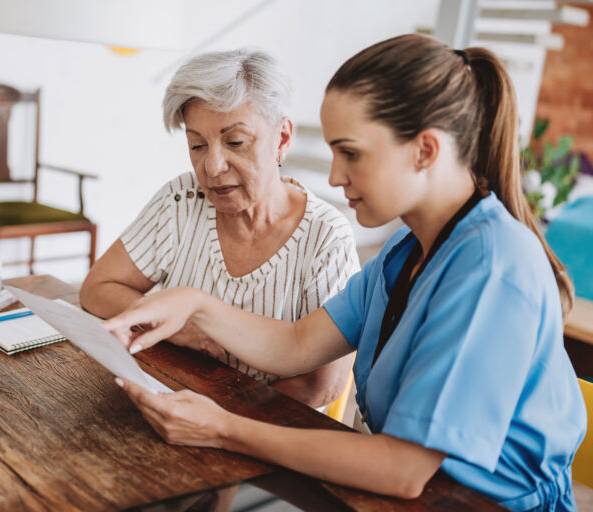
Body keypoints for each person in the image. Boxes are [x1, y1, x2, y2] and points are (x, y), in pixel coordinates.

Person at [103, 34, 587, 511]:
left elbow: (400, 468)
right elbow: (294, 345)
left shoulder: (492, 264)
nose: (334, 176)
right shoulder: (406, 249)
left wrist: (222, 429)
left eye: (351, 153)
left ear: (425, 151)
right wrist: (195, 304)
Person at [80, 49, 360, 408]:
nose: (211, 166)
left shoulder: (325, 238)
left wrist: (220, 417)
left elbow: (321, 386)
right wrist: (177, 327)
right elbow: (96, 288)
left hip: (263, 426)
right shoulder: (181, 199)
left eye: (236, 142)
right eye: (196, 145)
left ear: (283, 139)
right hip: (175, 399)